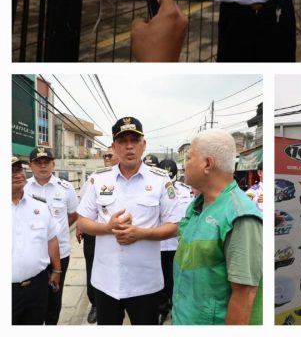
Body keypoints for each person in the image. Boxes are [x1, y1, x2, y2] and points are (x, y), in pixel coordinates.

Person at [76, 116, 181, 325]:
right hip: (106, 282)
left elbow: (174, 226)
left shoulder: (161, 180)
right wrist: (107, 228)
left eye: (134, 140)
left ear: (144, 144)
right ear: (114, 147)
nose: (129, 146)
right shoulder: (98, 179)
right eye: (123, 141)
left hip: (145, 283)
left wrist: (141, 233)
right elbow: (82, 221)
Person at [172, 130, 263, 325]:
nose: (184, 165)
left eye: (189, 158)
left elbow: (244, 295)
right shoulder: (197, 206)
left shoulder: (240, 217)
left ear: (207, 164)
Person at [24, 146, 78, 325]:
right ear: (30, 165)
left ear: (53, 164)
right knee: (34, 299)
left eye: (46, 162)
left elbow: (73, 214)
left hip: (60, 253)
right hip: (32, 254)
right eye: (38, 162)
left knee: (55, 296)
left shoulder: (66, 188)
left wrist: (54, 233)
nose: (42, 166)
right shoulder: (23, 188)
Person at [12, 155, 61, 325]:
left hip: (37, 286)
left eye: (19, 169)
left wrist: (57, 271)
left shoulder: (40, 206)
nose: (18, 174)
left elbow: (51, 239)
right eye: (11, 171)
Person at [77, 147, 118, 323]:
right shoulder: (95, 178)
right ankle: (95, 303)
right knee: (92, 268)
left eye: (110, 155)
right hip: (94, 233)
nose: (106, 158)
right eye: (105, 156)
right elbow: (83, 204)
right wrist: (79, 227)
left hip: (118, 235)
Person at [156, 158, 193, 325]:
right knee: (161, 279)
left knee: (177, 279)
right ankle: (162, 309)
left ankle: (176, 307)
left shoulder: (186, 191)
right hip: (158, 243)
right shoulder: (153, 189)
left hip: (177, 244)